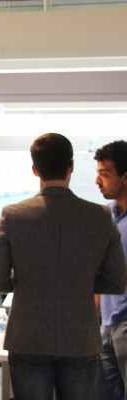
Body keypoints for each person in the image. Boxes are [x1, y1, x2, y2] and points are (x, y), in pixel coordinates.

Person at [0, 132, 127, 400]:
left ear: (35, 169)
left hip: (28, 338)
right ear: (71, 166)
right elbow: (117, 281)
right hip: (80, 339)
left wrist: (27, 278)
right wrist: (79, 280)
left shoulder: (12, 215)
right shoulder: (100, 216)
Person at [95, 140, 127, 400]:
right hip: (106, 322)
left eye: (104, 174)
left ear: (125, 178)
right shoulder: (109, 215)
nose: (97, 180)